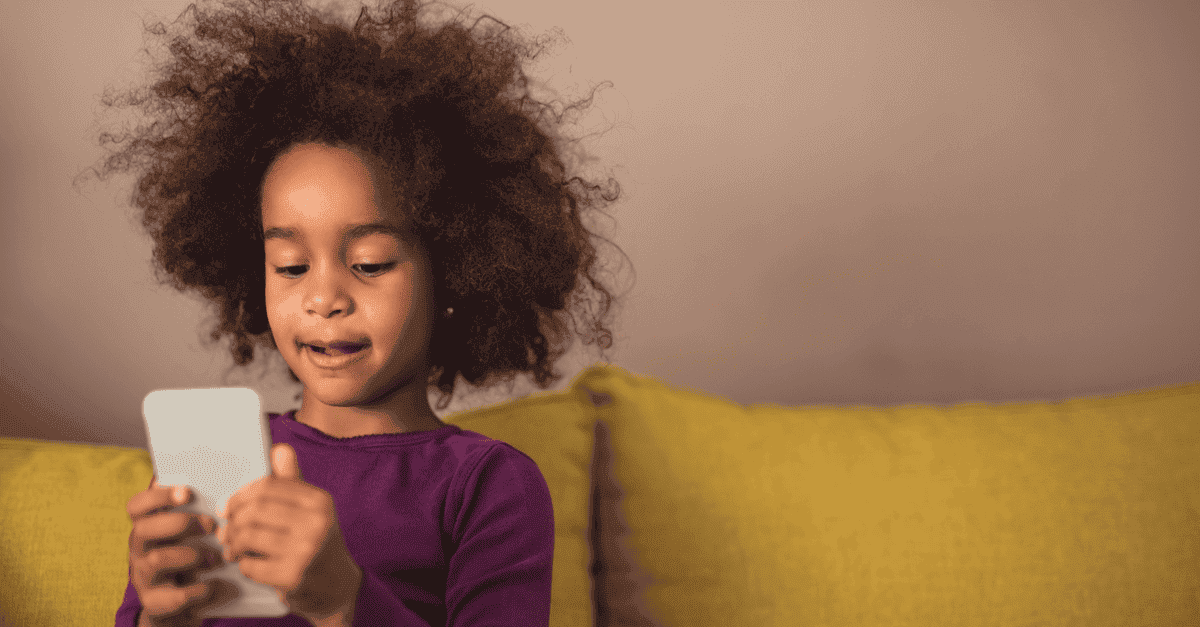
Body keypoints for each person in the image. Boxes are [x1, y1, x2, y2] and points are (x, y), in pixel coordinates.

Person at [75, 0, 631, 624]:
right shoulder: (215, 463)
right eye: (290, 266)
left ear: (455, 270)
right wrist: (158, 612)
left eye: (368, 263)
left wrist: (344, 599)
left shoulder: (488, 485)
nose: (323, 297)